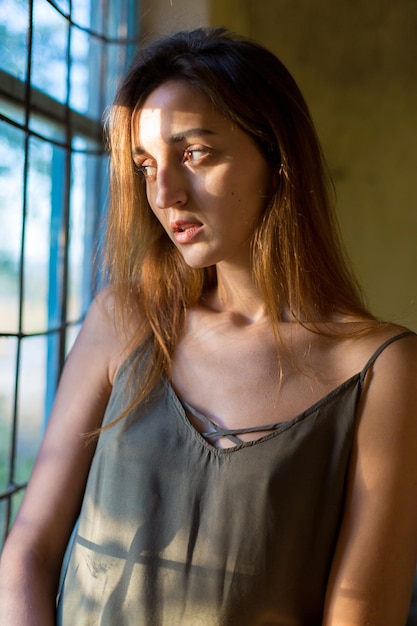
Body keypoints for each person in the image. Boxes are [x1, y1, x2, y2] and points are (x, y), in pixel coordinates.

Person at [0, 26, 416, 626]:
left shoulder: (379, 369)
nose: (164, 192)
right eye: (145, 164)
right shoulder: (125, 321)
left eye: (194, 153)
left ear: (276, 158)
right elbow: (28, 552)